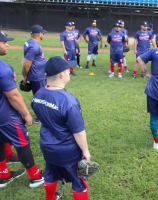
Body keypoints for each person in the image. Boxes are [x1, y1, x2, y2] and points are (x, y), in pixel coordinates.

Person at [31, 56, 91, 200]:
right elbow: (78, 131)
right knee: (78, 181)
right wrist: (85, 151)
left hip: (47, 146)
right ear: (61, 75)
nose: (70, 72)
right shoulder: (69, 101)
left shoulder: (38, 95)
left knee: (50, 173)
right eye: (68, 70)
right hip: (67, 150)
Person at [0, 31, 44, 188]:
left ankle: (3, 174)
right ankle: (36, 176)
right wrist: (26, 114)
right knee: (22, 142)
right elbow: (13, 96)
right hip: (5, 116)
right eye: (4, 42)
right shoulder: (3, 68)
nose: (8, 44)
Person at [22, 25, 48, 123]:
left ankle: (40, 115)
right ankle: (40, 117)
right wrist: (24, 76)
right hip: (37, 76)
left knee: (40, 95)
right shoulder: (33, 46)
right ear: (39, 34)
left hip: (38, 75)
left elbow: (25, 59)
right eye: (43, 33)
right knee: (40, 97)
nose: (43, 34)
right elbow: (26, 65)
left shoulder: (29, 42)